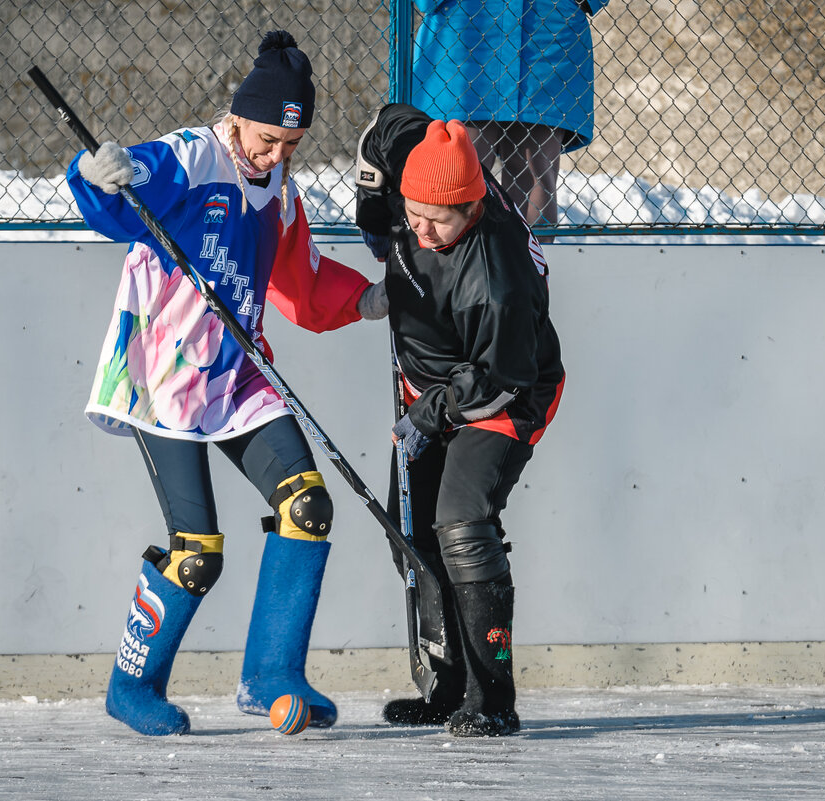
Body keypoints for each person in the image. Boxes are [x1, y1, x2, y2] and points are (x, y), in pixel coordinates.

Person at [66, 30, 386, 736]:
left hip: (238, 373)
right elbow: (118, 204)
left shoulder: (280, 191)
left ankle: (271, 673)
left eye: (290, 146)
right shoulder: (189, 157)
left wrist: (364, 299)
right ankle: (132, 685)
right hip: (163, 376)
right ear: (238, 116)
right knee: (197, 554)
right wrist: (94, 173)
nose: (276, 156)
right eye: (268, 138)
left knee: (308, 506)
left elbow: (298, 285)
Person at [354, 104, 565, 736]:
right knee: (413, 530)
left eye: (434, 221)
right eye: (410, 215)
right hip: (432, 384)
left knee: (462, 521)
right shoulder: (424, 167)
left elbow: (500, 378)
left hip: (506, 392)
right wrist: (371, 197)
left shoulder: (496, 277)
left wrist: (427, 412)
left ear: (471, 207)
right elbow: (389, 124)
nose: (418, 230)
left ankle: (492, 699)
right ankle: (444, 689)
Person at [409, 0, 610, 240]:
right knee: (452, 176)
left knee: (534, 173)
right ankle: (448, 273)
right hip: (462, 34)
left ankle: (530, 273)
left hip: (546, 33)